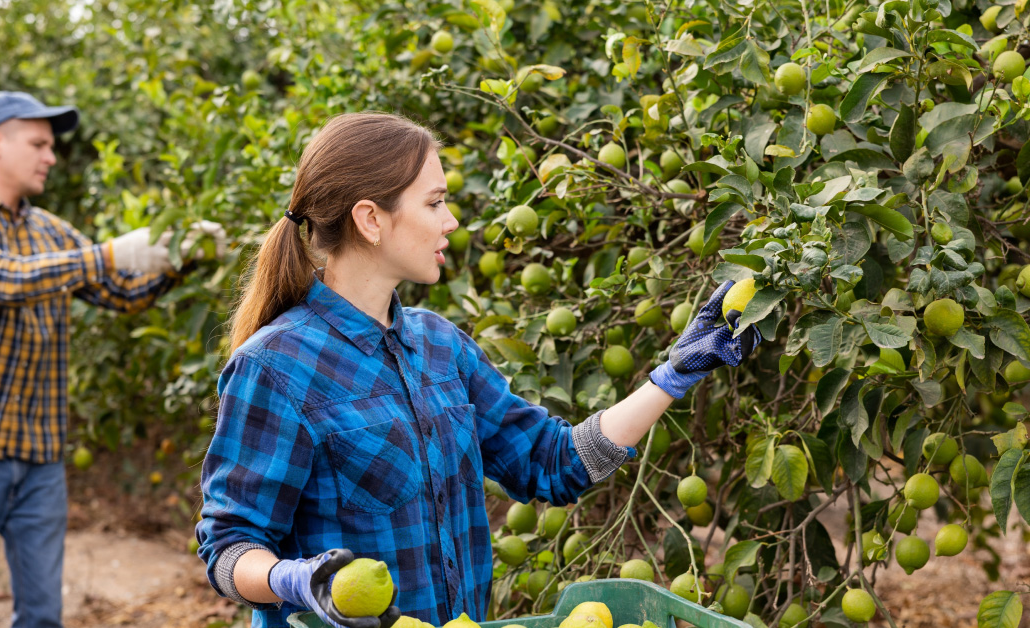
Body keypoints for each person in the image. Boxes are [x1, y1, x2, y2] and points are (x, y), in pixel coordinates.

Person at [196, 112, 760, 628]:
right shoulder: (276, 368)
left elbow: (553, 462)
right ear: (370, 218)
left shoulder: (441, 347)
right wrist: (295, 580)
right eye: (435, 202)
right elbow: (229, 550)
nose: (452, 220)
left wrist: (672, 376)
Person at [0, 90, 227, 628]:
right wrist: (105, 254)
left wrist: (180, 256)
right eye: (38, 144)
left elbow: (123, 292)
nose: (50, 157)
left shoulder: (51, 231)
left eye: (50, 146)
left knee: (43, 617)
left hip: (39, 459)